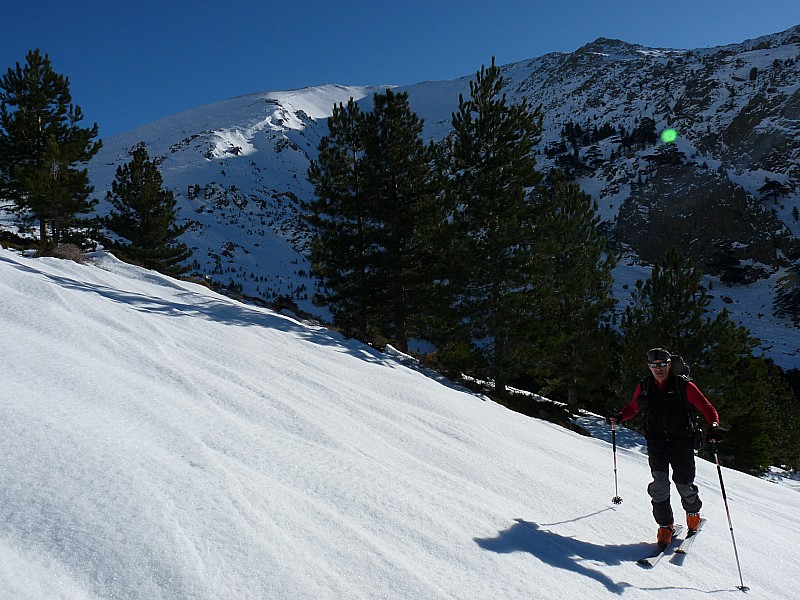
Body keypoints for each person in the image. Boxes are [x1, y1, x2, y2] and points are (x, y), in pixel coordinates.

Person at [607, 347, 726, 546]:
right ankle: (665, 526)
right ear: (649, 366)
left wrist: (713, 426)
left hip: (682, 442)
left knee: (684, 484)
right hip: (657, 442)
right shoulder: (645, 386)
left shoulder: (683, 385)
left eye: (662, 364)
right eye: (654, 365)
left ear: (669, 364)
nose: (658, 368)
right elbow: (632, 408)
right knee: (659, 485)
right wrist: (618, 416)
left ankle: (693, 511)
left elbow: (707, 407)